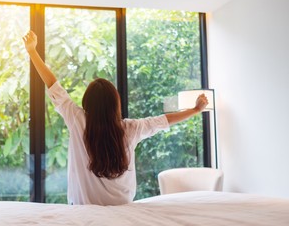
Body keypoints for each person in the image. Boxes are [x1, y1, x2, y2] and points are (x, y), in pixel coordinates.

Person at [23, 30, 208, 205]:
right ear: (115, 104)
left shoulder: (77, 119)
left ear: (87, 103)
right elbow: (164, 120)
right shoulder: (130, 128)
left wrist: (32, 51)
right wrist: (195, 109)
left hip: (82, 212)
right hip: (124, 211)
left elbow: (53, 84)